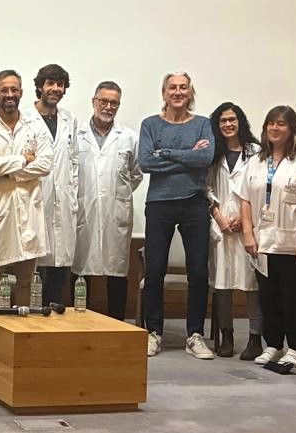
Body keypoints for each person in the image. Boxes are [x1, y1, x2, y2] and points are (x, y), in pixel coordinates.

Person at [238, 105, 296, 374]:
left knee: (295, 298)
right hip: (263, 242)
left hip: (293, 242)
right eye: (271, 123)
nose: (275, 128)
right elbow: (245, 200)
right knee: (269, 298)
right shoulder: (255, 161)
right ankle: (273, 344)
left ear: (292, 129)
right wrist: (248, 233)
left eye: (281, 124)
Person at [137, 72, 215, 359]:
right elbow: (146, 162)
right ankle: (154, 333)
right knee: (155, 270)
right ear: (164, 93)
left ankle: (194, 335)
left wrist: (166, 152)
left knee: (198, 271)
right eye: (173, 87)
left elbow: (205, 159)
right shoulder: (150, 124)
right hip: (159, 203)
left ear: (190, 93)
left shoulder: (203, 124)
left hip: (195, 203)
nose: (178, 92)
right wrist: (187, 155)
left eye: (184, 87)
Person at [0, 70, 54, 308]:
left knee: (26, 281)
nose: (9, 94)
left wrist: (9, 170)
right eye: (4, 90)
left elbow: (45, 164)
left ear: (21, 92)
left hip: (29, 210)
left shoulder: (35, 126)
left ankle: (23, 329)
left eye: (14, 89)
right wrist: (23, 159)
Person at [72, 81, 142, 321]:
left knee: (117, 271)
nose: (108, 107)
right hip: (84, 210)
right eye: (104, 101)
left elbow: (136, 174)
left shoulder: (129, 137)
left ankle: (117, 323)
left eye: (114, 103)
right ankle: (79, 323)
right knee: (80, 269)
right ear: (94, 102)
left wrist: (118, 194)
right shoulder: (77, 135)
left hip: (115, 212)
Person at [207, 102, 262, 359]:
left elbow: (260, 188)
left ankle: (255, 338)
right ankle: (226, 337)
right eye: (223, 121)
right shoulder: (212, 152)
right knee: (222, 284)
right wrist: (218, 217)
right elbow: (205, 187)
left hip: (248, 227)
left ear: (240, 121)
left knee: (252, 285)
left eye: (232, 119)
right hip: (221, 228)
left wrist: (244, 217)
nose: (228, 124)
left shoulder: (256, 152)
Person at [32, 64, 78, 307]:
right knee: (36, 265)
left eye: (60, 84)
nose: (56, 89)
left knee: (60, 262)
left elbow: (74, 160)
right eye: (50, 83)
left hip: (63, 201)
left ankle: (54, 314)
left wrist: (72, 193)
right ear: (40, 86)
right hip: (35, 199)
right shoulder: (25, 118)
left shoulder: (69, 119)